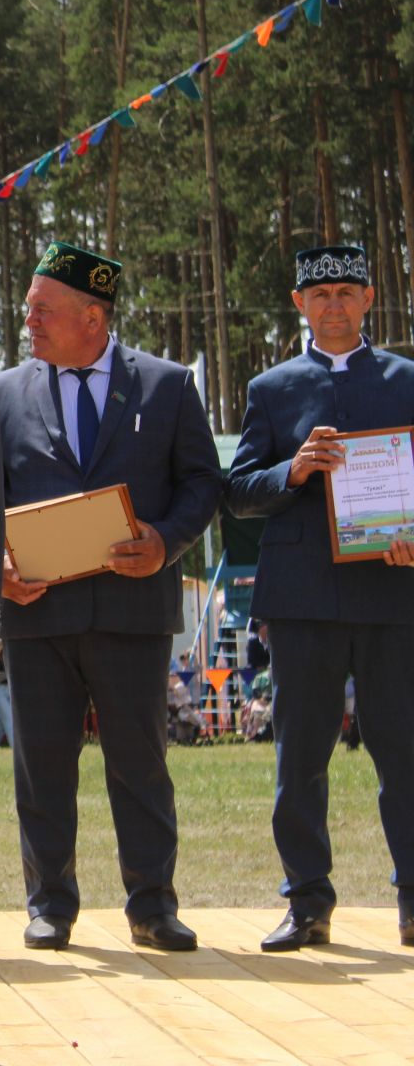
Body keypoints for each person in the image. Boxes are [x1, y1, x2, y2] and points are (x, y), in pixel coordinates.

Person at [0, 242, 222, 953]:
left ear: (92, 317)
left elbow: (202, 484)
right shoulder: (0, 392)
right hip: (35, 613)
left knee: (140, 763)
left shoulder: (166, 386)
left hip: (132, 613)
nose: (27, 319)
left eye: (42, 310)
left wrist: (166, 540)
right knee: (41, 764)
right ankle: (50, 905)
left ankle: (152, 906)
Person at [226, 244, 414, 952]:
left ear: (369, 299)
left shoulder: (406, 380)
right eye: (320, 293)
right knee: (300, 757)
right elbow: (238, 491)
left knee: (405, 754)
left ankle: (413, 902)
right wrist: (293, 469)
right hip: (302, 599)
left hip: (394, 590)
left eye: (346, 291)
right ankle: (307, 903)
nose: (333, 303)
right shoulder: (271, 388)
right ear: (298, 304)